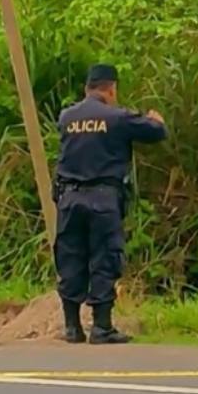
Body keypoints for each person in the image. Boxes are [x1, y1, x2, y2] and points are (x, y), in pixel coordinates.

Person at [52, 63, 167, 344]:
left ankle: (72, 327)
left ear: (87, 88)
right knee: (104, 258)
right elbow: (155, 133)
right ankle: (102, 327)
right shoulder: (118, 117)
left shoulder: (67, 116)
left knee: (70, 258)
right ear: (112, 88)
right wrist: (157, 120)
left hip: (69, 198)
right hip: (102, 199)